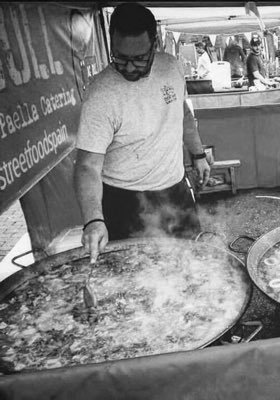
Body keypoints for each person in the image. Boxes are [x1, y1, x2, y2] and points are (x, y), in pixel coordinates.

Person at [74, 3, 211, 262]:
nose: (128, 68)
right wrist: (93, 220)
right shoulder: (101, 94)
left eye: (139, 59)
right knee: (136, 278)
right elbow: (87, 167)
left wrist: (198, 154)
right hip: (125, 202)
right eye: (120, 58)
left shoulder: (171, 67)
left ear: (154, 43)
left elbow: (183, 115)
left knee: (193, 265)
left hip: (175, 191)